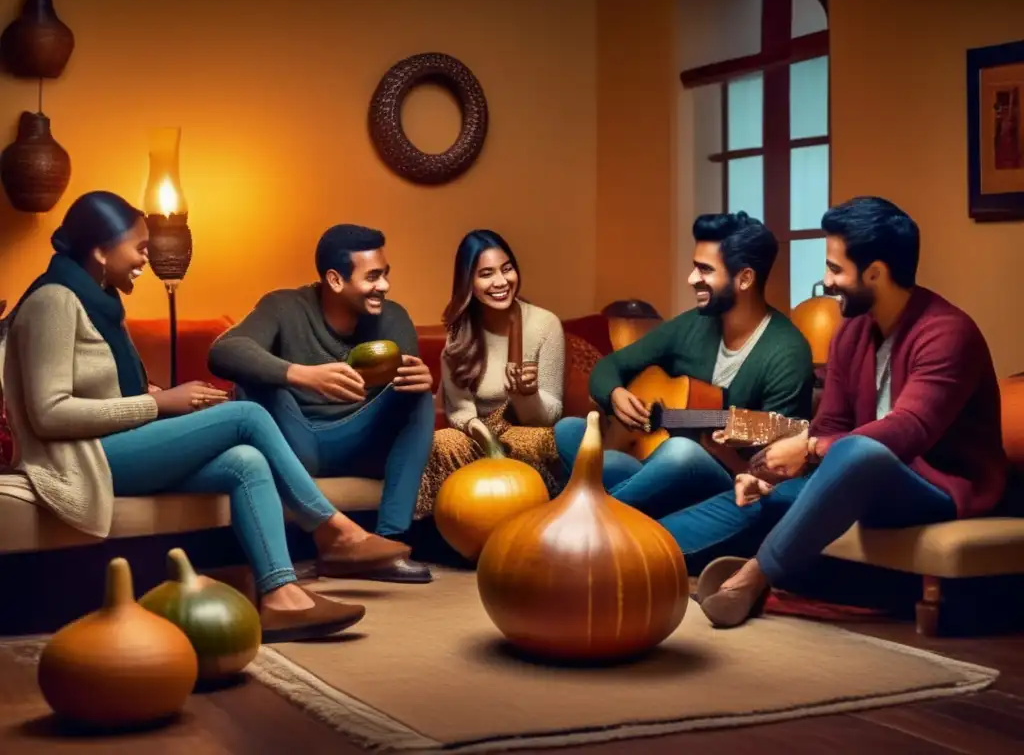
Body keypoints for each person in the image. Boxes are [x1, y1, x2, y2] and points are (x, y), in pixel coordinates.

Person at [1, 191, 412, 642]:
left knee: (245, 463)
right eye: (139, 246)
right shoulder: (54, 301)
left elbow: (101, 390)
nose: (146, 257)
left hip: (113, 443)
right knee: (248, 417)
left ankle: (281, 596)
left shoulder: (96, 300)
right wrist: (160, 404)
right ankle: (335, 531)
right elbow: (49, 414)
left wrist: (159, 396)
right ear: (100, 250)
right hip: (80, 459)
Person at [676, 196, 1008, 628]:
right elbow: (832, 422)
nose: (826, 280)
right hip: (855, 480)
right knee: (761, 494)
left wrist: (811, 449)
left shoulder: (948, 334)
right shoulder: (852, 331)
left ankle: (752, 578)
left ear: (875, 273)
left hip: (937, 487)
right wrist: (770, 475)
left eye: (835, 268)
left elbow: (909, 431)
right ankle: (641, 554)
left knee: (858, 454)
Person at [207, 224, 435, 583]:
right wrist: (301, 374)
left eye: (386, 274)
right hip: (295, 443)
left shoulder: (393, 318)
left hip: (359, 442)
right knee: (257, 379)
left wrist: (420, 380)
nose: (384, 286)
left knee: (418, 398)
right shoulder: (284, 306)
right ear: (335, 279)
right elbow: (224, 351)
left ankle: (386, 544)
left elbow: (402, 393)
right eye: (373, 276)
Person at [554, 211, 814, 520]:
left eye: (705, 269)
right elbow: (611, 365)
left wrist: (724, 443)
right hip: (651, 461)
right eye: (695, 267)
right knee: (569, 430)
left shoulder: (787, 350)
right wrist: (615, 395)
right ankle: (625, 508)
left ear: (744, 278)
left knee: (681, 452)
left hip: (722, 479)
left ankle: (580, 516)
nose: (692, 279)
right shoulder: (692, 324)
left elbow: (778, 452)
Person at [416, 230, 566, 518]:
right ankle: (444, 532)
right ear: (468, 282)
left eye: (507, 269)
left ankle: (529, 526)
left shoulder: (545, 325)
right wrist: (479, 431)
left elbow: (552, 415)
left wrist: (526, 395)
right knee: (442, 442)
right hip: (476, 432)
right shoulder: (460, 331)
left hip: (525, 429)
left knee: (540, 442)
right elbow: (458, 407)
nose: (501, 282)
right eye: (486, 273)